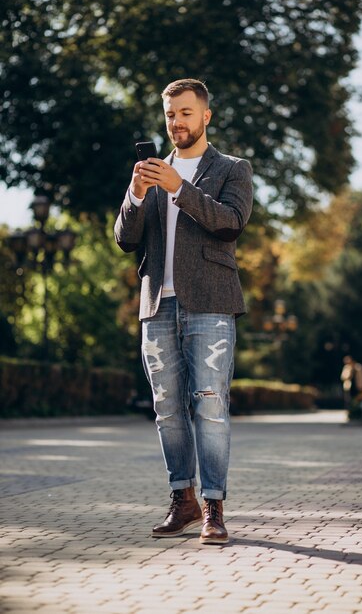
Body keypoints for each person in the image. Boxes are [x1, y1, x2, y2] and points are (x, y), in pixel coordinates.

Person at [114, 79, 253, 544]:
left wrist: (180, 189)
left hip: (211, 303)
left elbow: (230, 224)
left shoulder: (232, 168)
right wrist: (135, 195)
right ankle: (183, 499)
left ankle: (214, 507)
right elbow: (125, 238)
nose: (177, 122)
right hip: (157, 303)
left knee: (210, 406)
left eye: (186, 113)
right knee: (167, 410)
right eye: (171, 114)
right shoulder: (151, 172)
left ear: (206, 116)